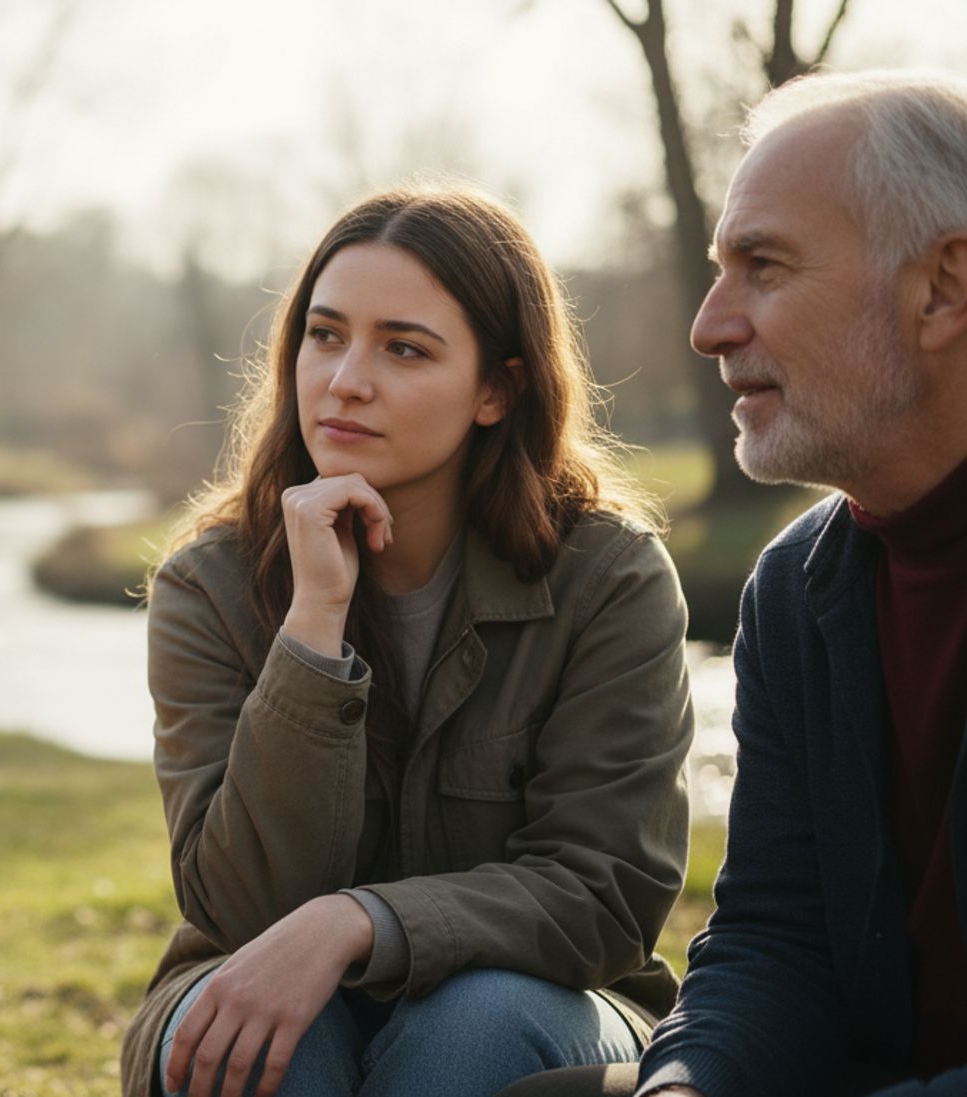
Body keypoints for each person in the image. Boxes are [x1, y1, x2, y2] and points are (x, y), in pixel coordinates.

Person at [118, 184, 696, 1097]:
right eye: (324, 333)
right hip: (253, 977)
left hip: (549, 1003)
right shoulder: (210, 585)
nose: (346, 378)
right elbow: (238, 908)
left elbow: (605, 894)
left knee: (471, 1028)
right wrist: (312, 630)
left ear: (497, 390)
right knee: (264, 1048)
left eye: (404, 348)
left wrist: (360, 920)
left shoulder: (608, 579)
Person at [501, 69, 967, 1097]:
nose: (710, 325)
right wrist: (687, 1082)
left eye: (764, 265)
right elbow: (774, 934)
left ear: (941, 288)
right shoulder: (798, 589)